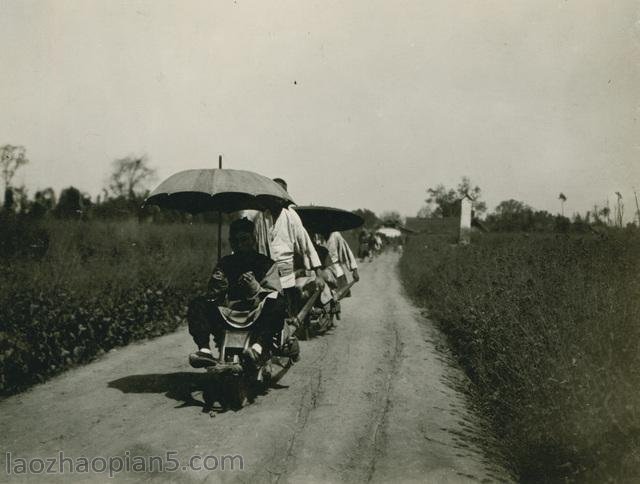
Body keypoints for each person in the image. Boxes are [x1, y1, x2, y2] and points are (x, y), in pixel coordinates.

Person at [187, 218, 297, 368]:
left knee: (279, 302)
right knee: (197, 304)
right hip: (229, 313)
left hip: (256, 313)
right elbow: (212, 296)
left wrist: (255, 288)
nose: (239, 245)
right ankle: (205, 350)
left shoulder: (266, 264)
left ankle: (258, 348)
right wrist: (217, 284)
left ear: (253, 239)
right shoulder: (225, 263)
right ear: (230, 242)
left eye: (244, 240)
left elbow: (274, 293)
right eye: (235, 241)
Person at [251, 178, 323, 316]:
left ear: (285, 197)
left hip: (286, 274)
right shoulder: (260, 218)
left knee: (286, 311)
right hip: (264, 273)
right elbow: (253, 244)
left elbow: (306, 244)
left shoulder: (291, 216)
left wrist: (318, 273)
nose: (277, 198)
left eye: (280, 193)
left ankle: (287, 335)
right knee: (264, 310)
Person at [319, 231, 359, 298]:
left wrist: (354, 269)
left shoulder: (335, 235)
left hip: (337, 271)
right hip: (322, 273)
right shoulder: (317, 236)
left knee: (336, 297)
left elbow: (346, 250)